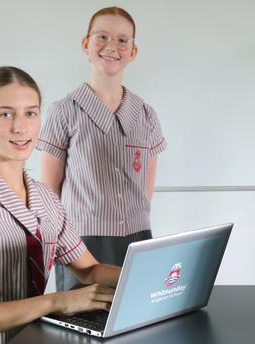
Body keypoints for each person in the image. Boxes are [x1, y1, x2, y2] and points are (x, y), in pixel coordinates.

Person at [0, 66, 120, 344]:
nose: (21, 127)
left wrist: (150, 277)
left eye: (30, 113)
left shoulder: (45, 198)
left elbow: (89, 270)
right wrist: (56, 302)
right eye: (5, 114)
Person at [36, 6, 167, 290]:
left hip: (138, 238)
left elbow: (146, 189)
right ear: (86, 44)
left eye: (123, 40)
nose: (112, 47)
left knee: (138, 317)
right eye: (102, 37)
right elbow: (49, 192)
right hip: (81, 244)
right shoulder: (64, 111)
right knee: (85, 325)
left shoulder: (146, 115)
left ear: (133, 52)